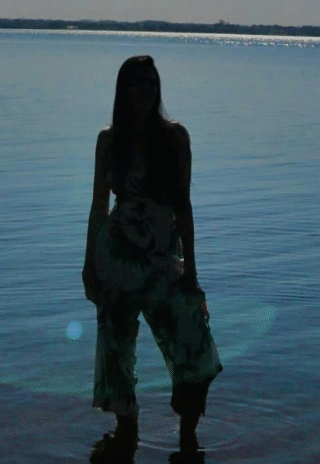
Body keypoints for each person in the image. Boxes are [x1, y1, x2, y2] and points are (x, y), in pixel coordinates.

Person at [84, 55, 222, 462]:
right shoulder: (109, 140)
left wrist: (192, 272)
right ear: (123, 91)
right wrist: (88, 265)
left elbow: (184, 207)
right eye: (137, 82)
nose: (145, 89)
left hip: (163, 258)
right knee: (115, 342)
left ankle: (186, 430)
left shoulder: (175, 137)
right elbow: (97, 207)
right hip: (117, 256)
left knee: (192, 334)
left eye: (151, 82)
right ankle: (126, 430)